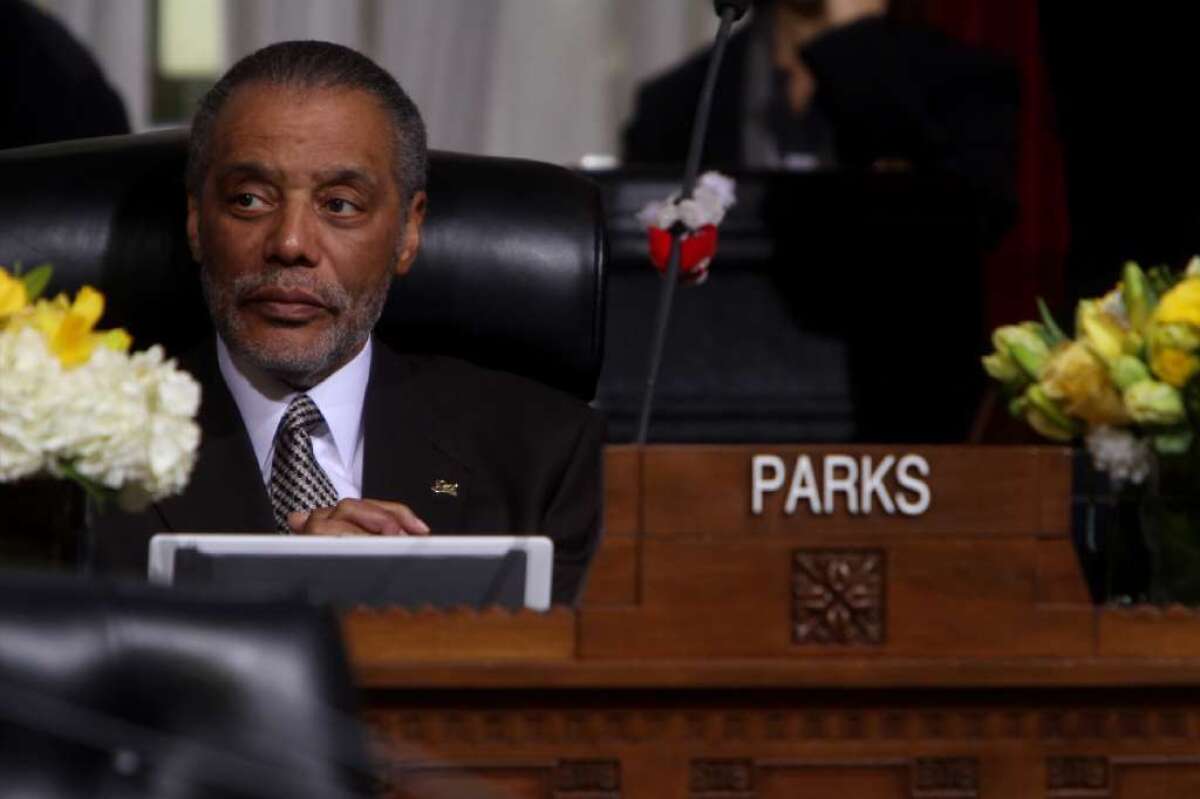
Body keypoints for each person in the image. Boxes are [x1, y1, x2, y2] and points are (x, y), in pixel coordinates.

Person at [90, 41, 604, 605]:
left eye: (339, 205)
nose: (290, 244)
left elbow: (562, 681)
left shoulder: (542, 453)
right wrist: (291, 589)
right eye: (249, 199)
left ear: (408, 232)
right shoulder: (80, 452)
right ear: (196, 220)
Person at [623, 0, 1017, 223]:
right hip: (723, 351)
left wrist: (857, 41)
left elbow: (975, 219)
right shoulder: (676, 102)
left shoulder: (966, 81)